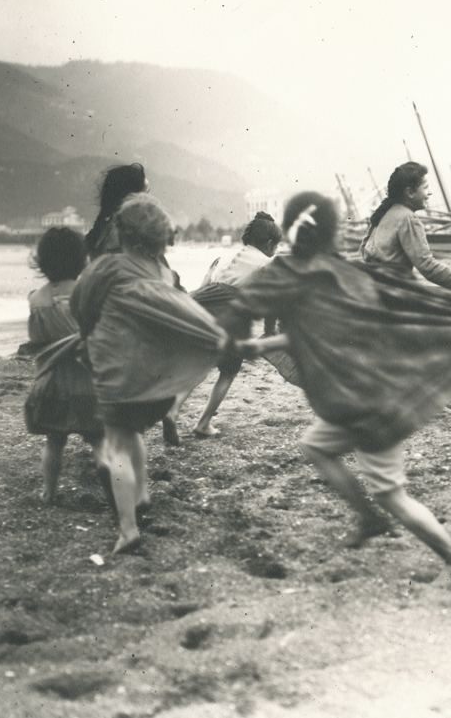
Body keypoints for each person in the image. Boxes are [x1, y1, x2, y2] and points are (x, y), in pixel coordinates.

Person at [237, 192, 451, 581]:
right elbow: (311, 335)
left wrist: (253, 341)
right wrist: (261, 344)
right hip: (366, 394)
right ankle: (369, 519)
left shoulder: (308, 279)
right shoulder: (349, 275)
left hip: (364, 403)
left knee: (393, 495)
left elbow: (287, 322)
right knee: (315, 446)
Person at [70, 193, 272, 553]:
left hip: (117, 374)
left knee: (116, 444)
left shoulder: (107, 268)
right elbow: (183, 310)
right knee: (133, 435)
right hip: (156, 377)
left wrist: (87, 334)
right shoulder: (164, 272)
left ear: (121, 233)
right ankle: (143, 492)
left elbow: (80, 301)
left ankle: (128, 528)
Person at [81, 163, 185, 446]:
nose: (149, 194)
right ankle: (163, 415)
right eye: (144, 189)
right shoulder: (125, 228)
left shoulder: (104, 226)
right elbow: (138, 269)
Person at [181, 212, 283, 438]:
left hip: (202, 309)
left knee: (200, 367)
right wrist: (268, 330)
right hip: (232, 316)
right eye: (275, 247)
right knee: (228, 372)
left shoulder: (222, 258)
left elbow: (204, 286)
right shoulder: (268, 263)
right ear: (269, 244)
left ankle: (171, 410)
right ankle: (203, 423)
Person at [24, 227, 103, 504]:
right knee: (99, 441)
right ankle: (114, 489)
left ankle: (49, 492)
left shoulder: (37, 301)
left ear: (42, 263)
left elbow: (38, 340)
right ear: (82, 260)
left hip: (55, 386)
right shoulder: (89, 293)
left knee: (55, 441)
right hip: (89, 385)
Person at [360, 162, 451, 291]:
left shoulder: (383, 213)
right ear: (410, 192)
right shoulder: (408, 218)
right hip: (394, 292)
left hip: (374, 288)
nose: (429, 193)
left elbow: (364, 249)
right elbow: (427, 267)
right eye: (426, 188)